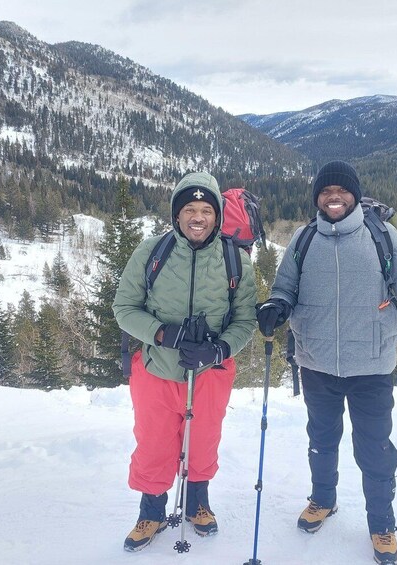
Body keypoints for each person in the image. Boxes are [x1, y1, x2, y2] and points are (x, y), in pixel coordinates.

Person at [256, 161, 397, 565]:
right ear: (317, 197)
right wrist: (276, 308)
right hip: (315, 362)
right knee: (321, 439)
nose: (334, 196)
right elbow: (285, 289)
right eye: (325, 190)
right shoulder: (303, 238)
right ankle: (323, 499)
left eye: (342, 190)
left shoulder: (381, 235)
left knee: (374, 447)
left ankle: (382, 523)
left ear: (354, 195)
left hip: (371, 363)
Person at [113, 171, 257, 552]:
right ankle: (152, 512)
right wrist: (163, 333)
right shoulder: (151, 251)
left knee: (204, 439)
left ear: (217, 216)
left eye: (206, 209)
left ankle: (197, 504)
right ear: (177, 215)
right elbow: (124, 308)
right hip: (157, 369)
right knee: (154, 442)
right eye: (189, 209)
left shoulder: (236, 260)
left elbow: (245, 322)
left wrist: (218, 350)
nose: (198, 217)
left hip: (211, 372)